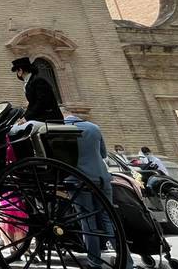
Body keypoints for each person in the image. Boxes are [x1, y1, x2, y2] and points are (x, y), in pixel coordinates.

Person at [63, 112, 133, 269]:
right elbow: (103, 154)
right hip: (101, 178)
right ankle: (127, 261)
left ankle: (95, 261)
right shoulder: (94, 127)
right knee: (109, 218)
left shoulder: (62, 129)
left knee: (87, 221)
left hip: (78, 180)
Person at [11, 57, 63, 122]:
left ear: (20, 70)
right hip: (40, 116)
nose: (17, 74)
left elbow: (41, 102)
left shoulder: (38, 81)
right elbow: (32, 104)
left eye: (17, 71)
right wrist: (24, 117)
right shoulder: (30, 82)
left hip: (49, 117)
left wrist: (27, 118)